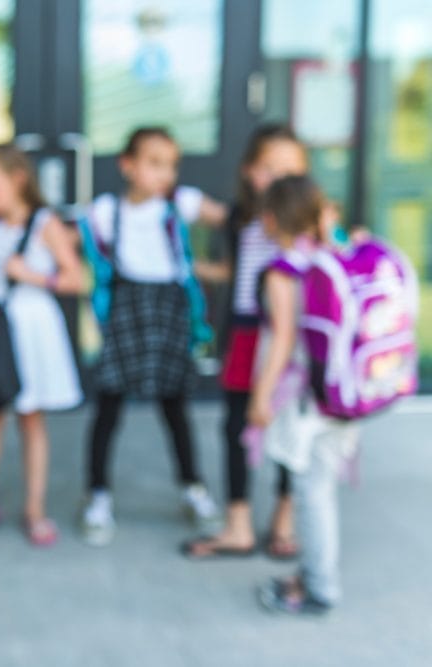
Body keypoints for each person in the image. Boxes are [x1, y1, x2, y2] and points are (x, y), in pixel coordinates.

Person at [78, 127, 226, 546]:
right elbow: (70, 239)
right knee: (108, 406)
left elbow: (234, 219)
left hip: (170, 310)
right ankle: (98, 495)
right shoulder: (106, 212)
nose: (165, 173)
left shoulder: (182, 203)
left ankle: (193, 488)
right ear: (128, 165)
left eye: (171, 164)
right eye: (154, 162)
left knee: (174, 406)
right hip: (127, 309)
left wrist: (220, 267)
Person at [183, 125, 309, 559]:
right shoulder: (241, 219)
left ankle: (284, 518)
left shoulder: (307, 222)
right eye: (268, 169)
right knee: (235, 425)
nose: (278, 180)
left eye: (289, 170)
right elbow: (235, 272)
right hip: (245, 332)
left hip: (287, 341)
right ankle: (238, 523)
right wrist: (193, 266)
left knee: (287, 430)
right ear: (249, 172)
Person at [0, 143, 84, 547]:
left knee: (31, 419)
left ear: (17, 180)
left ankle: (35, 509)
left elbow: (77, 278)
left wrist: (31, 275)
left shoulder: (45, 223)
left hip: (32, 326)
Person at [249, 175, 360, 615]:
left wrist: (260, 397)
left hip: (304, 398)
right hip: (342, 390)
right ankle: (315, 572)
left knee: (311, 492)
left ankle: (319, 588)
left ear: (272, 218)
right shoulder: (332, 254)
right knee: (321, 486)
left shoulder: (284, 269)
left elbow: (282, 339)